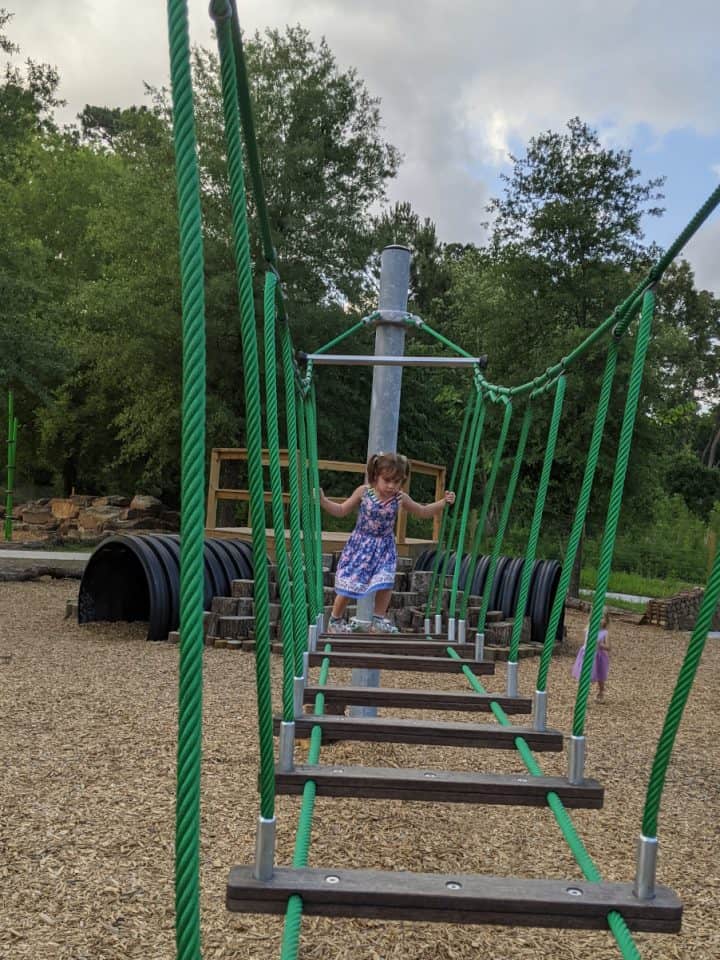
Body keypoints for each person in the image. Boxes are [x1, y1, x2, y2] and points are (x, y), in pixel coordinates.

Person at [319, 452, 456, 634]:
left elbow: (422, 511)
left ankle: (378, 619)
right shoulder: (364, 492)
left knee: (385, 581)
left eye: (397, 482)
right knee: (349, 585)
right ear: (376, 476)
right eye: (387, 481)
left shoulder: (400, 498)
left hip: (384, 547)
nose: (392, 486)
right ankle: (335, 620)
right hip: (361, 546)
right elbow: (341, 509)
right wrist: (323, 501)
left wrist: (443, 503)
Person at [571, 609, 611, 702]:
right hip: (586, 654)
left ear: (606, 620)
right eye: (597, 617)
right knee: (584, 674)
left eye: (601, 618)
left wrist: (600, 645)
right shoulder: (588, 629)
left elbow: (608, 647)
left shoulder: (605, 633)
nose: (599, 620)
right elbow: (585, 642)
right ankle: (583, 693)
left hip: (598, 657)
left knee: (600, 676)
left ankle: (601, 691)